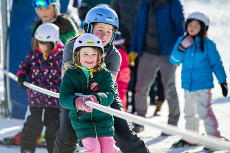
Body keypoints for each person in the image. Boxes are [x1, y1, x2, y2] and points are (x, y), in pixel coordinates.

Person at [53, 6, 150, 153]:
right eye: (100, 30)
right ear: (88, 28)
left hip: (105, 95)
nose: (104, 36)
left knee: (124, 135)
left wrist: (94, 99)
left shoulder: (113, 55)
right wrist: (78, 101)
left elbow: (107, 86)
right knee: (66, 134)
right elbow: (66, 79)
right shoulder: (72, 47)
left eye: (109, 32)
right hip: (75, 94)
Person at [169, 12, 228, 147]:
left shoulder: (208, 44)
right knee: (189, 113)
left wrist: (223, 81)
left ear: (203, 28)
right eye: (190, 25)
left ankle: (214, 140)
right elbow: (173, 60)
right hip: (188, 85)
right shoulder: (182, 41)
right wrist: (181, 48)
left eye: (196, 26)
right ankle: (191, 138)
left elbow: (216, 64)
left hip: (203, 85)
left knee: (204, 112)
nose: (192, 28)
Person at [128, 0, 185, 133]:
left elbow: (181, 27)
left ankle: (172, 125)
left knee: (169, 89)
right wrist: (134, 49)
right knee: (140, 88)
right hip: (147, 52)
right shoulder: (145, 3)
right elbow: (138, 26)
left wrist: (182, 50)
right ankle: (139, 121)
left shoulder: (173, 3)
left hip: (168, 53)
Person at [59, 33, 118, 153]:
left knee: (109, 149)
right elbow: (63, 98)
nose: (90, 58)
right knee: (93, 148)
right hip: (82, 120)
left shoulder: (105, 73)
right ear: (77, 55)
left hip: (103, 119)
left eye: (94, 54)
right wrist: (78, 102)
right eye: (85, 54)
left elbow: (110, 94)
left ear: (99, 56)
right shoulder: (70, 74)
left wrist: (97, 98)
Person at [16, 23, 64, 153]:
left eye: (45, 43)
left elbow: (68, 73)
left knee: (54, 131)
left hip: (54, 102)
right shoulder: (33, 54)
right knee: (31, 127)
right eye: (39, 43)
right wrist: (21, 76)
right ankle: (27, 150)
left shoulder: (62, 56)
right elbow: (23, 66)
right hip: (36, 101)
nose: (42, 46)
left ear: (54, 42)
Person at [113, 31, 131, 112]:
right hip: (114, 87)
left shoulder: (121, 54)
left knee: (121, 108)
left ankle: (126, 123)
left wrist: (122, 86)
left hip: (119, 88)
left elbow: (125, 73)